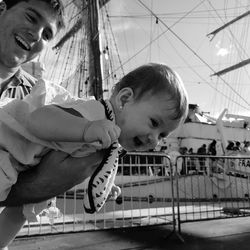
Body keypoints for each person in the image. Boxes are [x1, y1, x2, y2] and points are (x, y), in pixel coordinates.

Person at [0, 62, 188, 248]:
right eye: (154, 123)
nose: (154, 140)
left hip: (21, 165)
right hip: (8, 145)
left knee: (21, 211)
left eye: (162, 136)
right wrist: (86, 128)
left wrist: (107, 183)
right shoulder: (96, 113)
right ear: (124, 100)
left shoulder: (109, 141)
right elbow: (37, 119)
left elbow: (78, 159)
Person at [0, 0, 104, 249]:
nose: (36, 34)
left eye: (47, 34)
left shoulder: (40, 96)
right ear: (2, 8)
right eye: (30, 17)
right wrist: (44, 184)